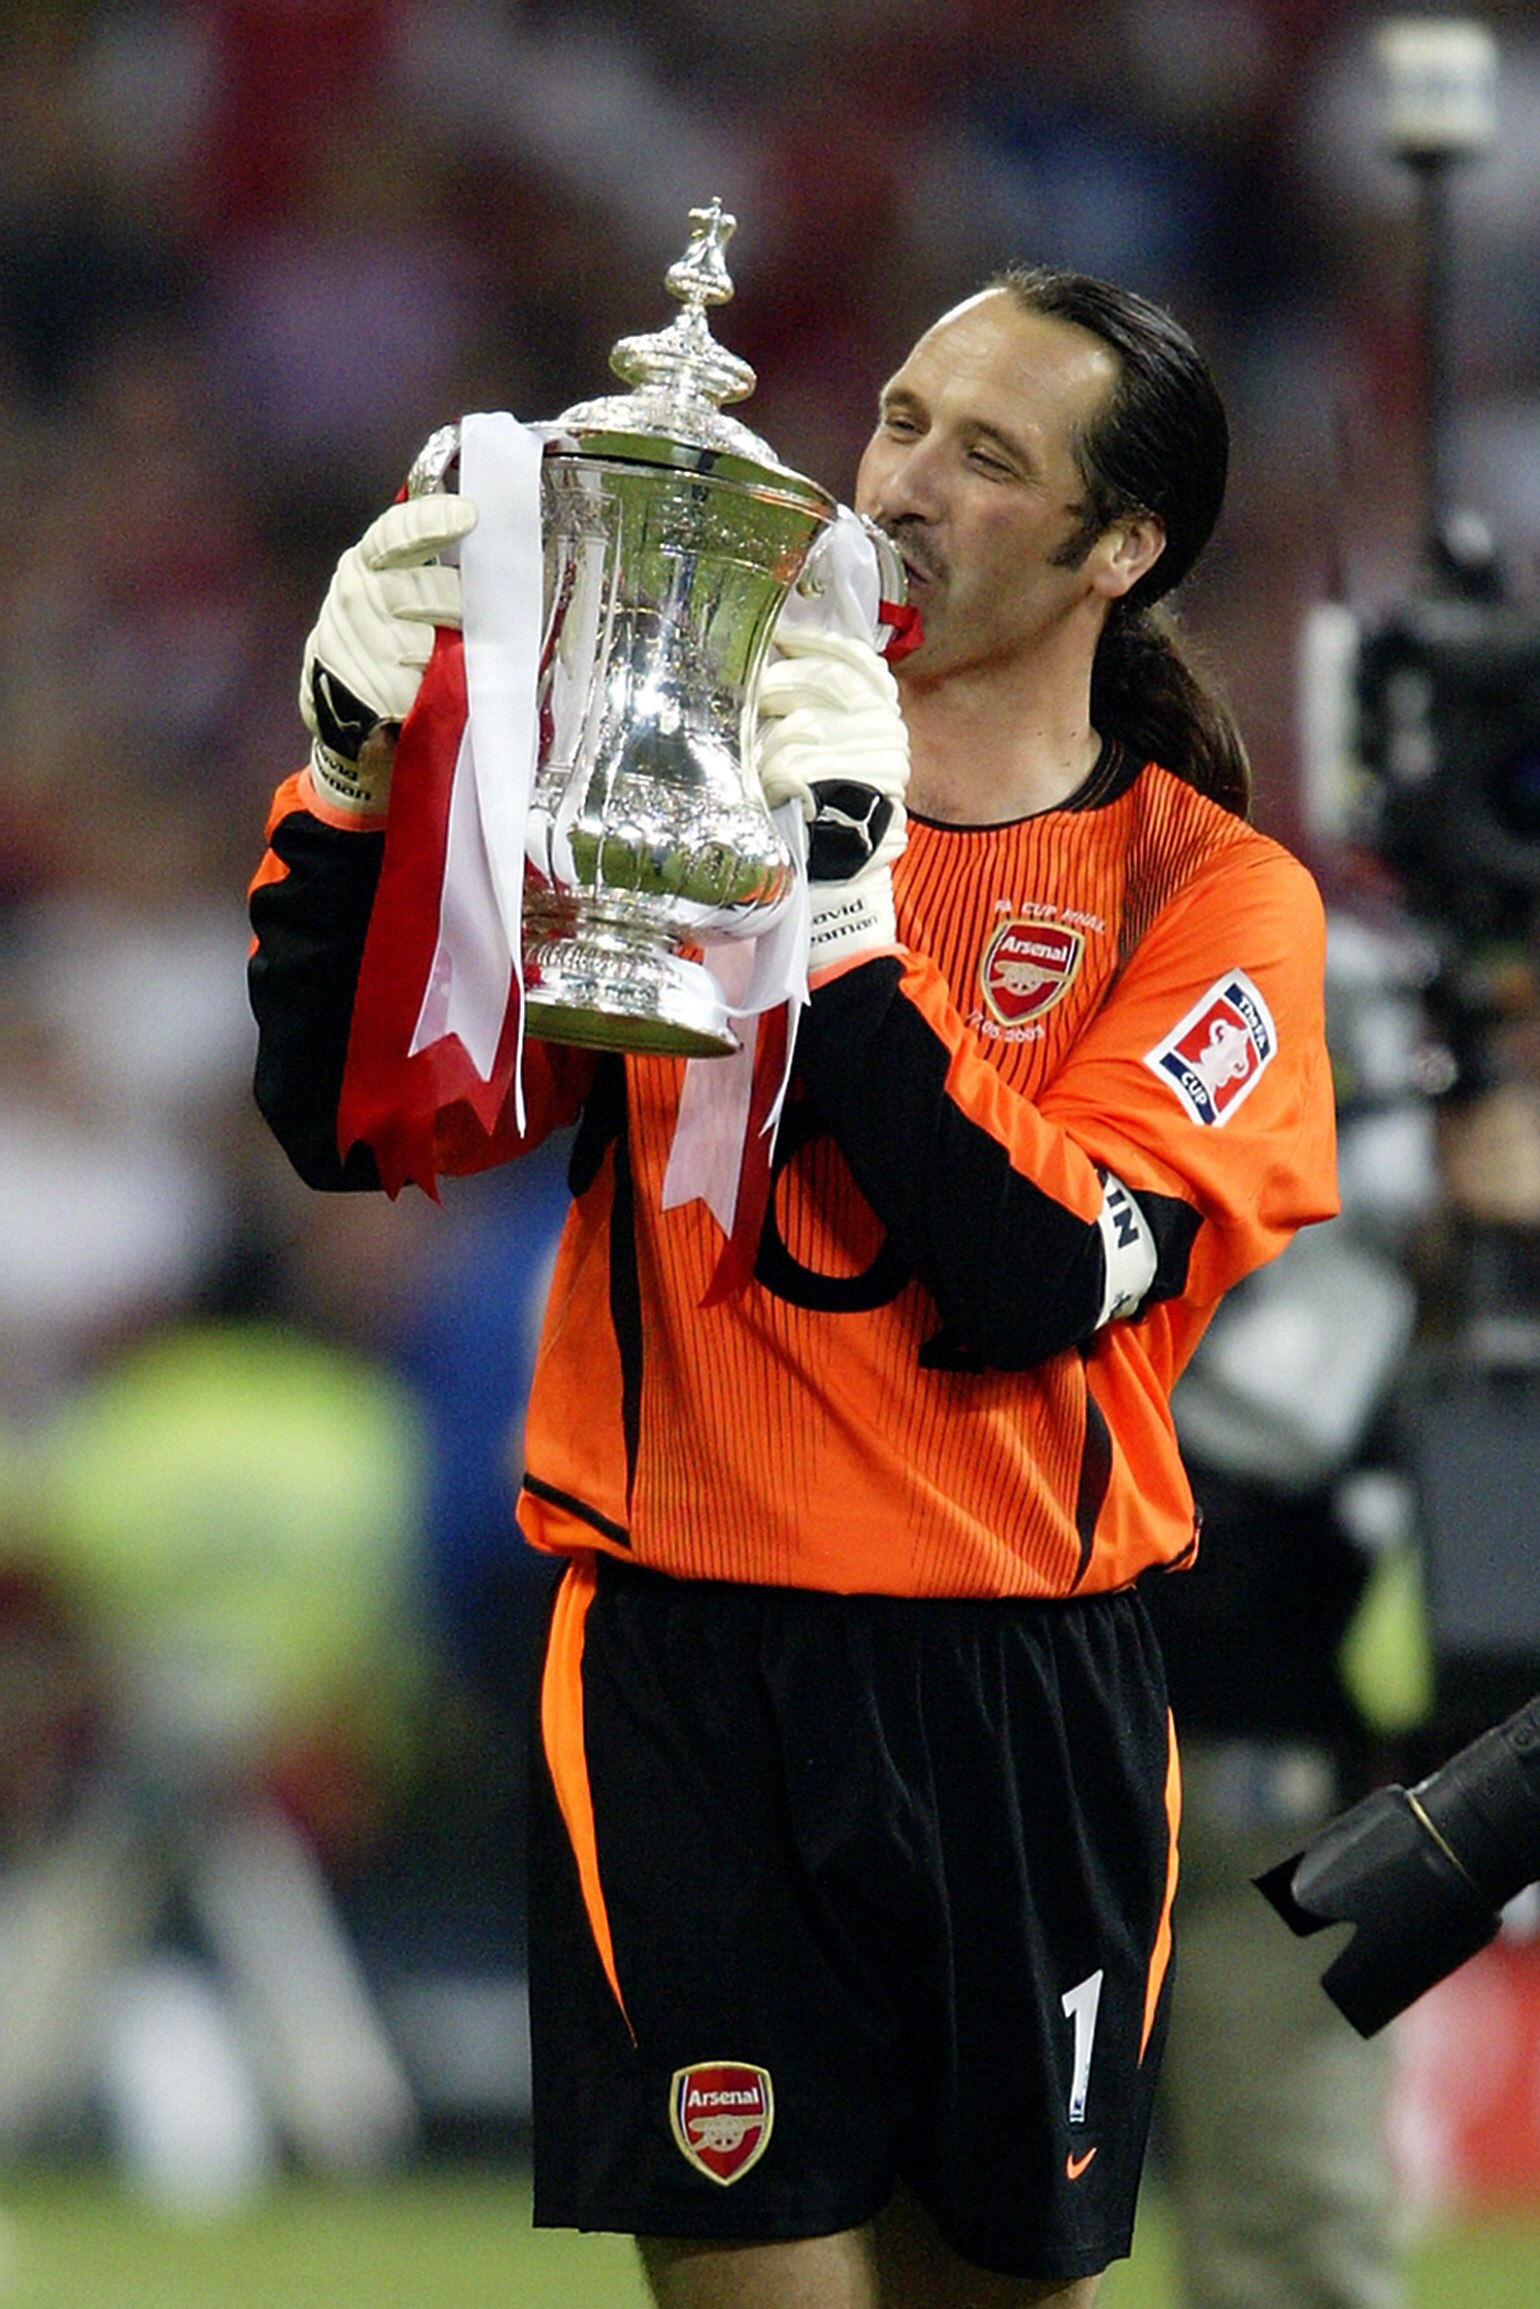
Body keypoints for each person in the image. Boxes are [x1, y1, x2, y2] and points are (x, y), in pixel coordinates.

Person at [248, 266, 1338, 2307]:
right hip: (687, 1663)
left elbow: (1031, 1276)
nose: (904, 485)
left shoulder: (1211, 900)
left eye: (988, 458)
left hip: (1026, 1688)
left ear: (1123, 547)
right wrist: (350, 783)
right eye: (903, 421)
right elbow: (359, 1120)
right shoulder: (678, 784)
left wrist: (839, 918)